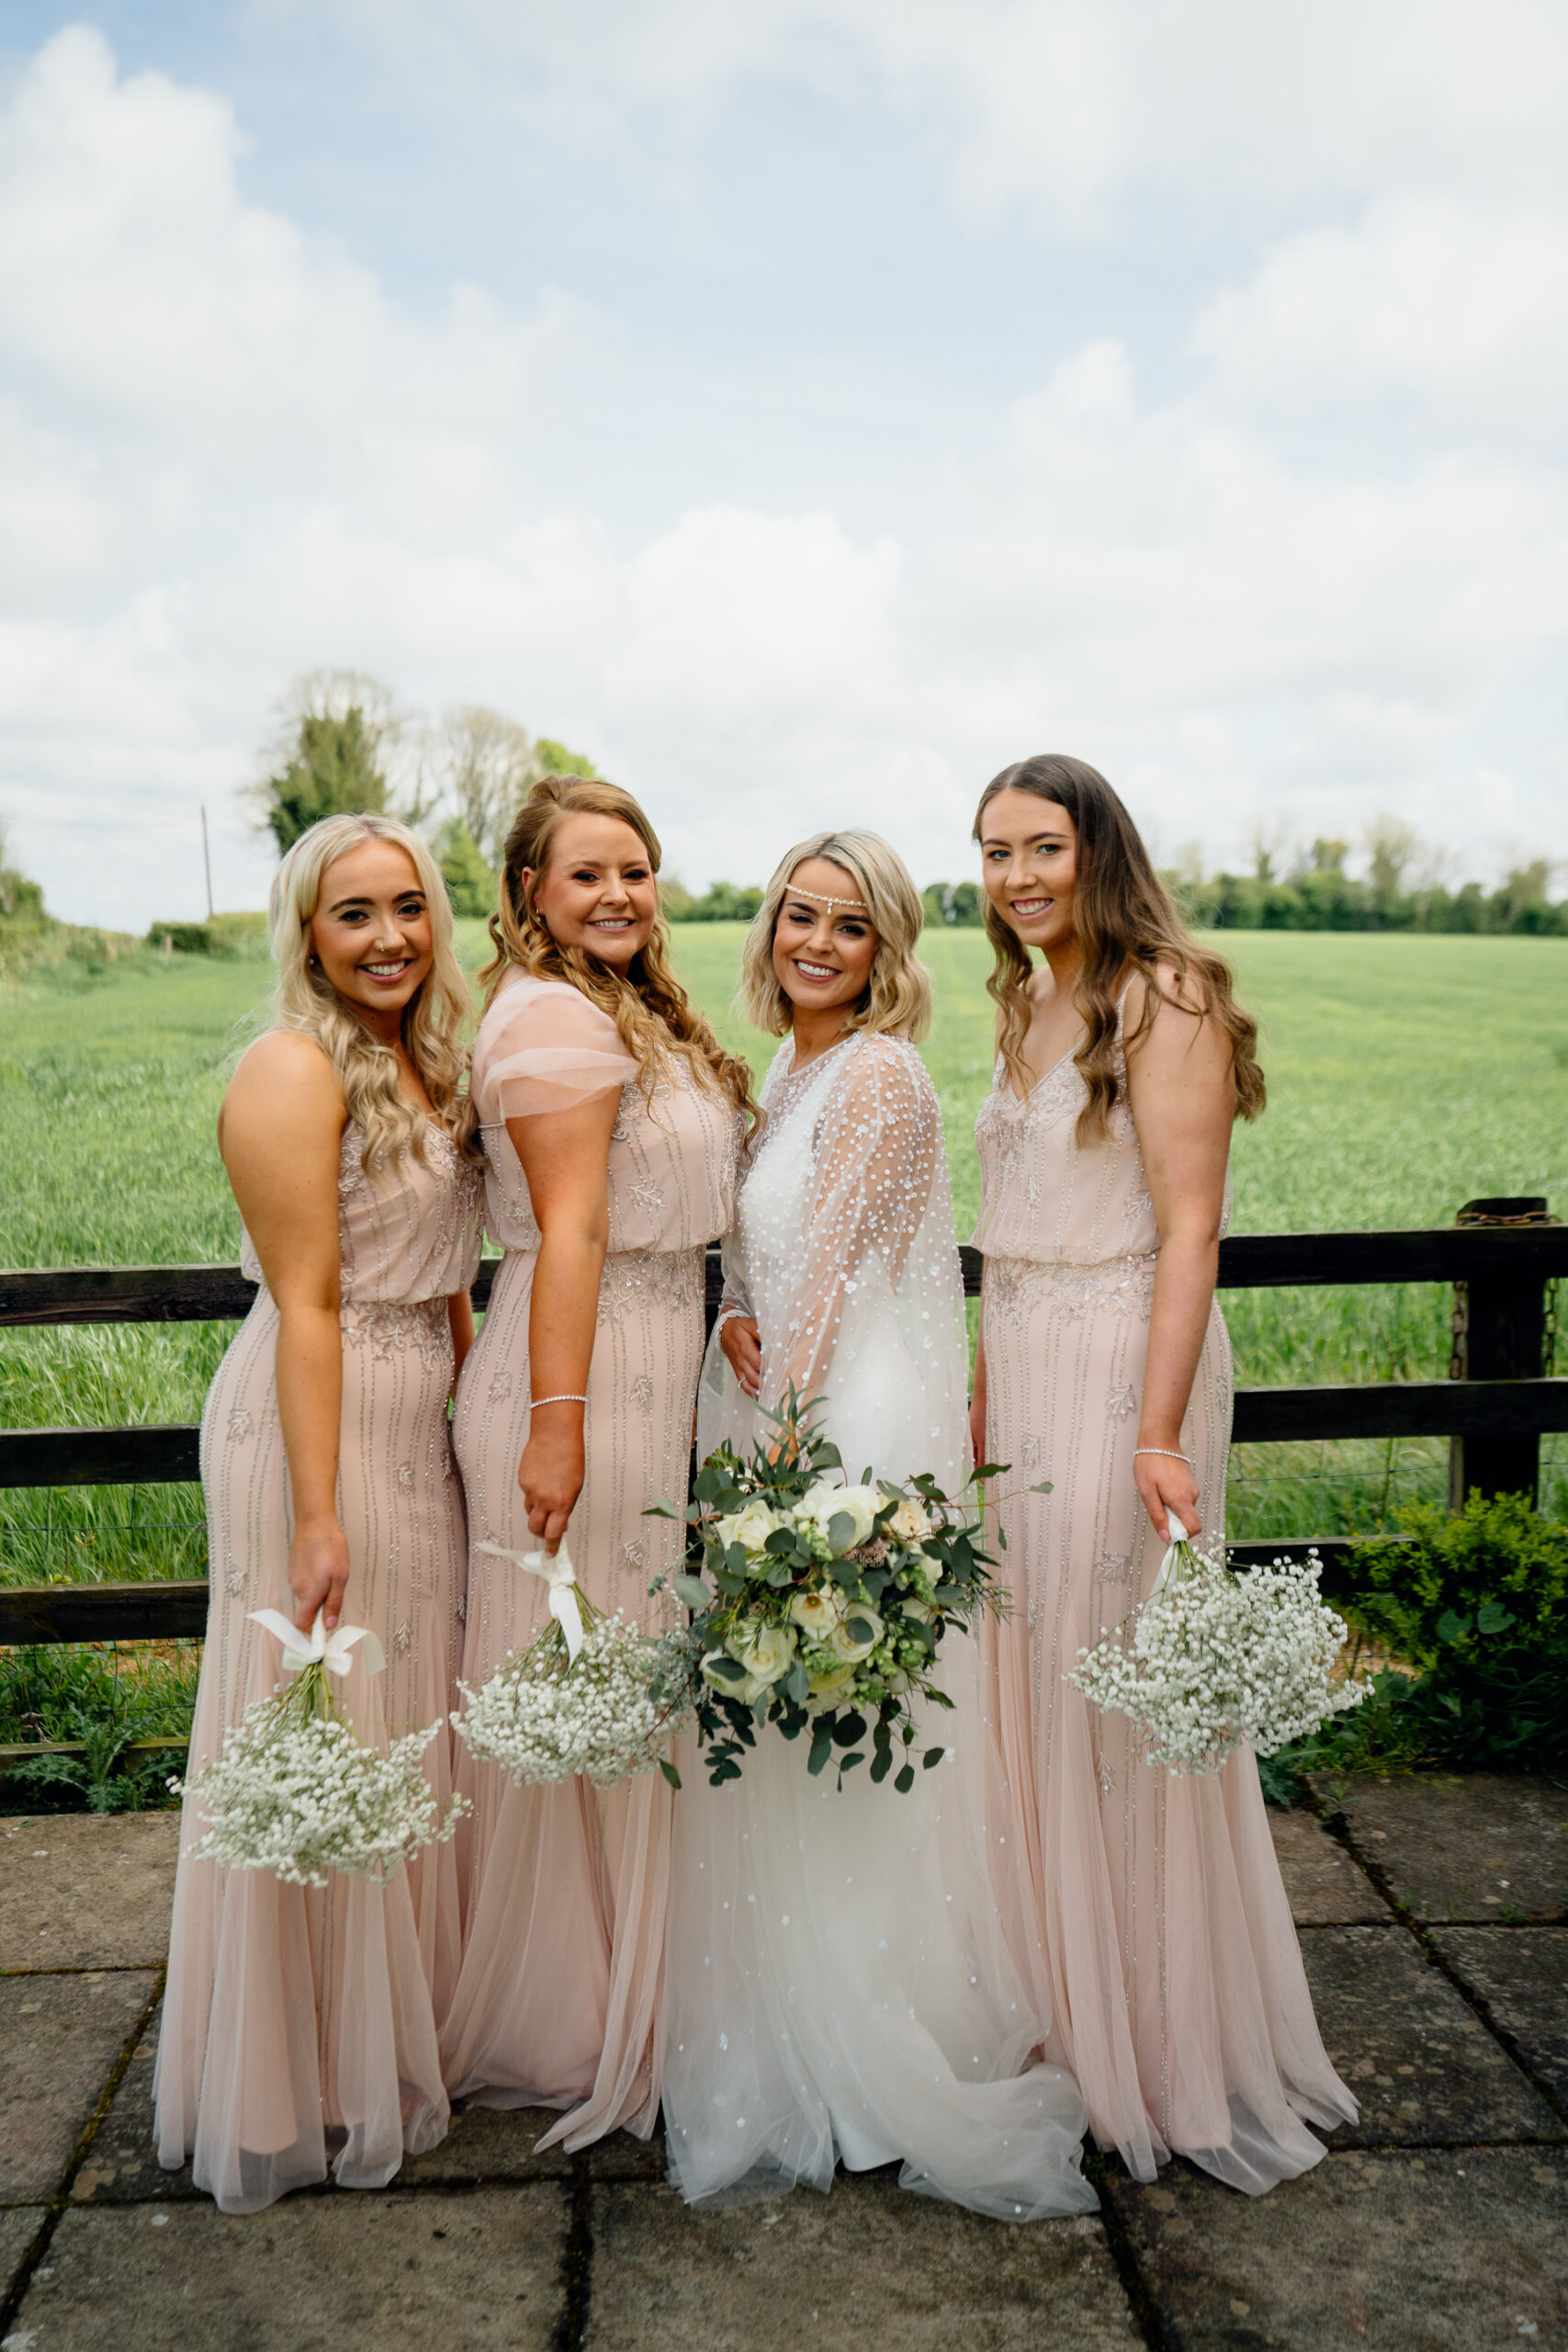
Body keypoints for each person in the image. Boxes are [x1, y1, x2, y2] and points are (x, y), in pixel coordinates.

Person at [661, 830, 1095, 2221]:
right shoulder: (783, 1070)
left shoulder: (880, 1073)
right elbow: (767, 1256)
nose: (817, 942)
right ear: (770, 926)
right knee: (786, 1741)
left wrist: (784, 1467)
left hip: (837, 1422)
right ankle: (795, 2028)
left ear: (886, 951)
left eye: (850, 927)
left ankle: (871, 2051)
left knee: (841, 1722)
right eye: (801, 915)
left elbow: (841, 1273)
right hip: (778, 1392)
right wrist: (729, 1309)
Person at [968, 753, 1357, 2194]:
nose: (1015, 877)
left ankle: (1160, 2045)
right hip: (1023, 1360)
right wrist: (982, 1390)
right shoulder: (1027, 998)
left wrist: (1155, 1425)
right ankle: (1061, 2016)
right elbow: (1011, 1223)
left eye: (1042, 849)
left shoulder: (1166, 993)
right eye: (994, 852)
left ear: (1099, 849)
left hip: (1127, 1362)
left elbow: (1189, 1229)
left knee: (1117, 1688)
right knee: (1032, 1683)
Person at [154, 814, 483, 2213]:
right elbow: (307, 1301)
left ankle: (386, 2042)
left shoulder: (428, 1055)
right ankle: (293, 2078)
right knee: (319, 1715)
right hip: (316, 1420)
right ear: (306, 932)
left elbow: (450, 1278)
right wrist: (317, 1508)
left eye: (408, 906)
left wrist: (472, 1413)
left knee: (397, 1718)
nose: (390, 936)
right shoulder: (290, 1068)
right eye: (355, 915)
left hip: (417, 1416)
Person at [438, 775, 750, 2150]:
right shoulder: (555, 1015)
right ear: (530, 894)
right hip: (582, 1375)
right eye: (587, 875)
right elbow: (565, 1232)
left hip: (644, 1357)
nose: (620, 893)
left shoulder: (620, 1004)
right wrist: (556, 1423)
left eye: (637, 869)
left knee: (621, 1675)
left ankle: (632, 1974)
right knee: (584, 1673)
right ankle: (567, 2013)